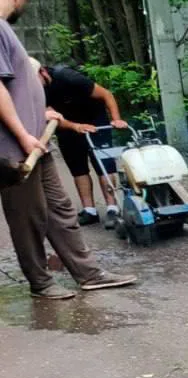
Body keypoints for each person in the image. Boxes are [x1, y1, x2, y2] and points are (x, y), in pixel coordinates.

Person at [0, 0, 136, 300]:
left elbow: (17, 88)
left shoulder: (4, 30)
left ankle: (88, 273)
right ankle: (41, 283)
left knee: (60, 210)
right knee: (28, 216)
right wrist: (23, 135)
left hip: (38, 140)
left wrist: (40, 113)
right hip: (15, 149)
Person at [32, 57, 128, 228]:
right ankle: (89, 210)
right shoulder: (35, 90)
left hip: (95, 119)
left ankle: (113, 207)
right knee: (78, 168)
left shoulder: (68, 78)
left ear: (43, 72)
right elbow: (50, 117)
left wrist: (116, 119)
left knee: (103, 164)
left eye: (35, 79)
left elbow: (106, 94)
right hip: (68, 125)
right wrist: (74, 126)